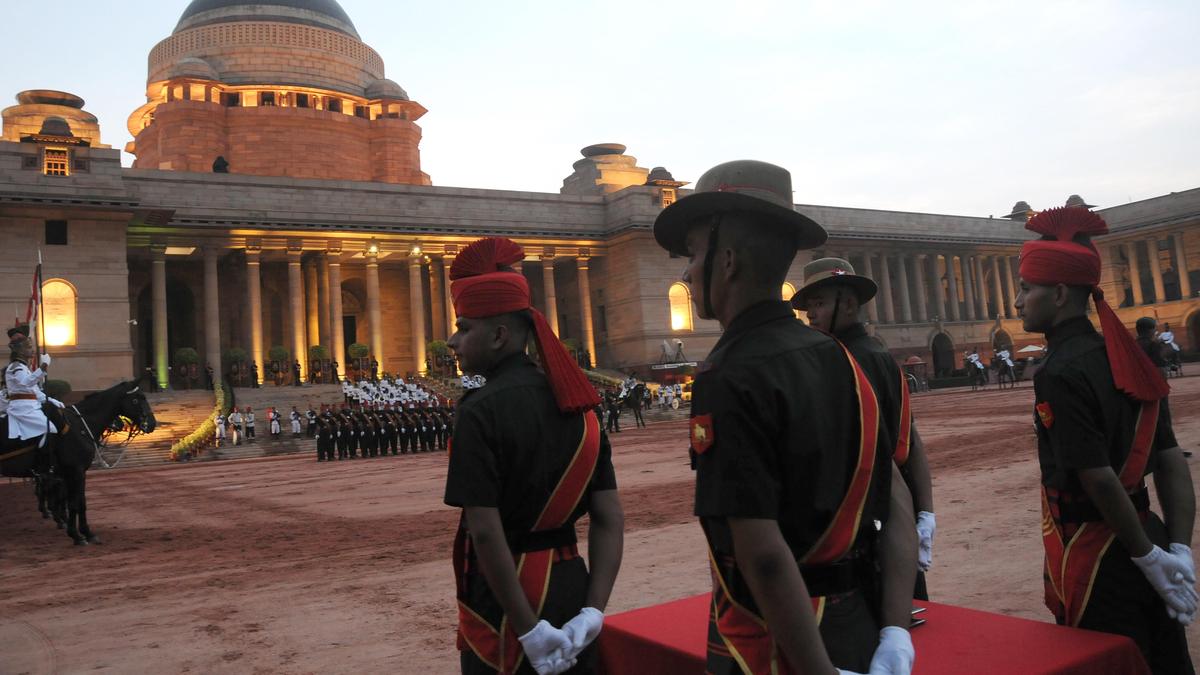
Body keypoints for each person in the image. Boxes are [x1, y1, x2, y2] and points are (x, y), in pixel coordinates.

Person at [653, 160, 917, 675]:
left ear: (726, 261)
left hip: (778, 641)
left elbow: (763, 553)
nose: (685, 272)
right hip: (857, 626)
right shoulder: (843, 358)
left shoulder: (727, 374)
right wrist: (895, 632)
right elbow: (898, 498)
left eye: (694, 254)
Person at [1015, 205, 1196, 672]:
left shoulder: (1057, 372)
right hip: (1147, 529)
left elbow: (1095, 476)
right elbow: (1171, 458)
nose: (1018, 303)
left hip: (1101, 553)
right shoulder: (1131, 358)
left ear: (1058, 294)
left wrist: (1146, 557)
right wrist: (1176, 551)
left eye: (1025, 289)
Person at [445, 237, 623, 675]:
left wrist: (529, 632)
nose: (453, 341)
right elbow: (609, 517)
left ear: (500, 335)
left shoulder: (478, 410)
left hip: (507, 598)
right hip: (572, 588)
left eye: (465, 328)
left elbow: (485, 532)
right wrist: (594, 611)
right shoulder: (580, 407)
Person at [793, 257, 937, 599]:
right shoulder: (877, 353)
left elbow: (869, 451)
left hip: (870, 513)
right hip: (897, 507)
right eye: (809, 306)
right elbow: (911, 439)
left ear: (849, 304)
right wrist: (925, 509)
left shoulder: (844, 360)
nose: (810, 314)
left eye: (819, 304)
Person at [5, 325, 62, 460]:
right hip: (23, 408)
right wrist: (43, 367)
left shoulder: (24, 367)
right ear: (20, 351)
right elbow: (25, 382)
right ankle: (42, 463)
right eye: (28, 348)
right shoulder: (15, 367)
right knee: (51, 430)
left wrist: (51, 400)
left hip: (32, 406)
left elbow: (35, 391)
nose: (32, 350)